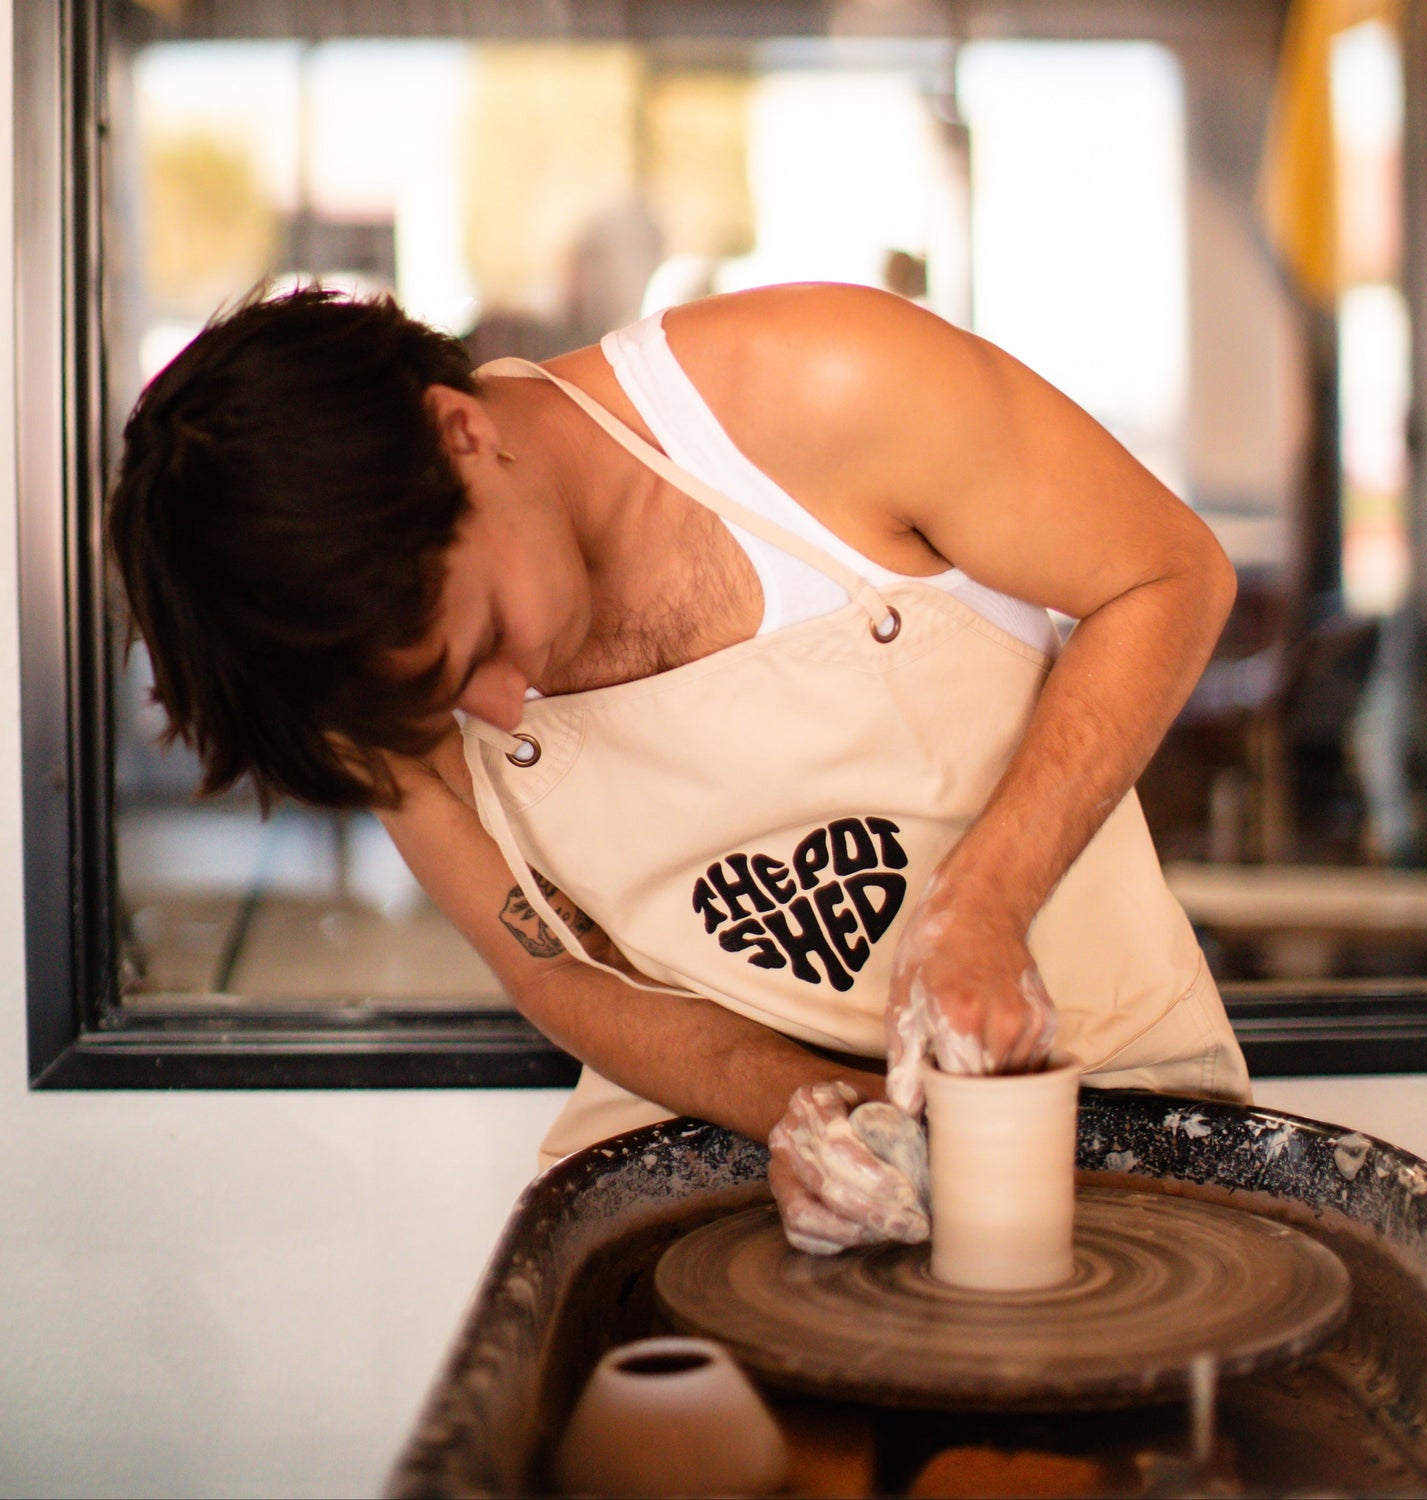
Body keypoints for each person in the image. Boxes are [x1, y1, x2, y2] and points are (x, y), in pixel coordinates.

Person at [109, 281, 1251, 1255]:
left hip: (1092, 1100)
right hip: (722, 1145)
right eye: (444, 705)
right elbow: (559, 975)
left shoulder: (823, 388)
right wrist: (809, 1113)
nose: (494, 710)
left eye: (486, 641)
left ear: (459, 433)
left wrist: (985, 903)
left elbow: (1169, 575)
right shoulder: (355, 657)